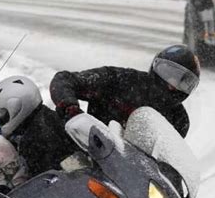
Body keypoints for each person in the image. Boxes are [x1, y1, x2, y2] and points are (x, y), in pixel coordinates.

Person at [49, 44, 200, 138]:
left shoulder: (179, 120)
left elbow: (168, 162)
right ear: (156, 66)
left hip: (128, 175)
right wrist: (71, 109)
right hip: (85, 149)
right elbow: (64, 80)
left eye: (184, 83)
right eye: (168, 73)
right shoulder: (119, 80)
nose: (172, 85)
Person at [0, 75, 79, 177]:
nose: (1, 119)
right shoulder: (45, 116)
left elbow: (39, 181)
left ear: (16, 107)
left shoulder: (35, 138)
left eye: (3, 113)